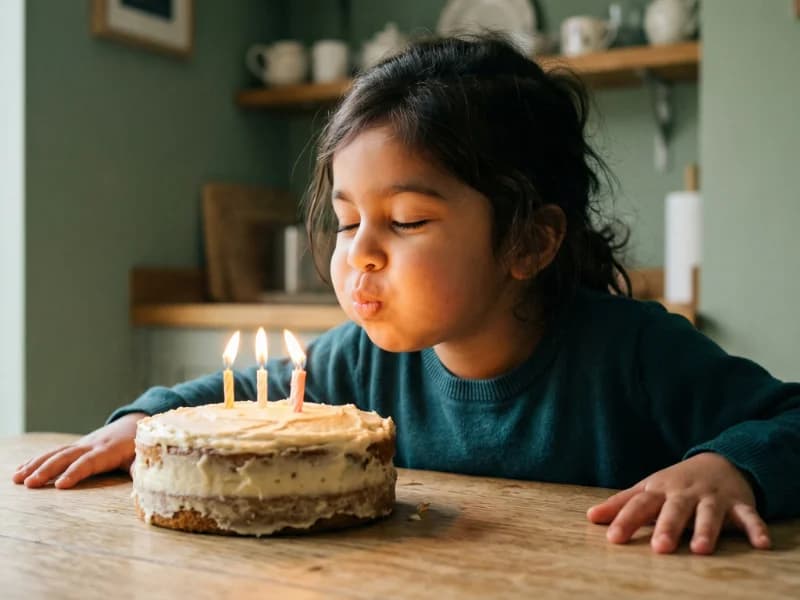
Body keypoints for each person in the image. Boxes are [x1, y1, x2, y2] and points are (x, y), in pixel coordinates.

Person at [13, 35, 800, 555]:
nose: (360, 254)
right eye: (350, 220)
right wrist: (146, 420)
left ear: (530, 240)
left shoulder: (635, 354)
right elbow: (237, 398)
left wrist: (731, 466)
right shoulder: (355, 362)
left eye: (408, 220)